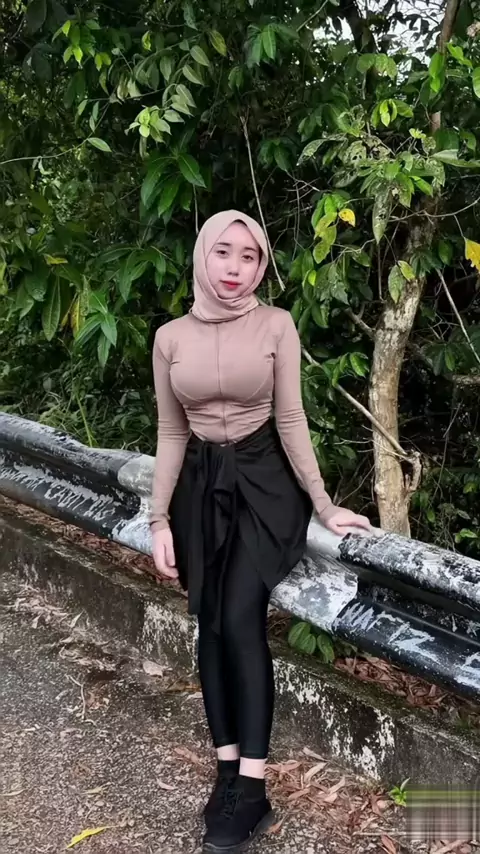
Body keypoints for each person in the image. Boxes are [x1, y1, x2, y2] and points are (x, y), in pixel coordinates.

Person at [149, 210, 372, 853]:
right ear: (203, 256)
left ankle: (252, 787)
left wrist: (323, 503)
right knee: (209, 621)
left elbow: (292, 417)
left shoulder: (276, 324)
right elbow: (170, 431)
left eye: (250, 257)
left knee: (240, 614)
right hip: (200, 489)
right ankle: (226, 770)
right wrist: (159, 518)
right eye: (224, 252)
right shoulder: (170, 338)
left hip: (265, 485)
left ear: (261, 267)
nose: (236, 268)